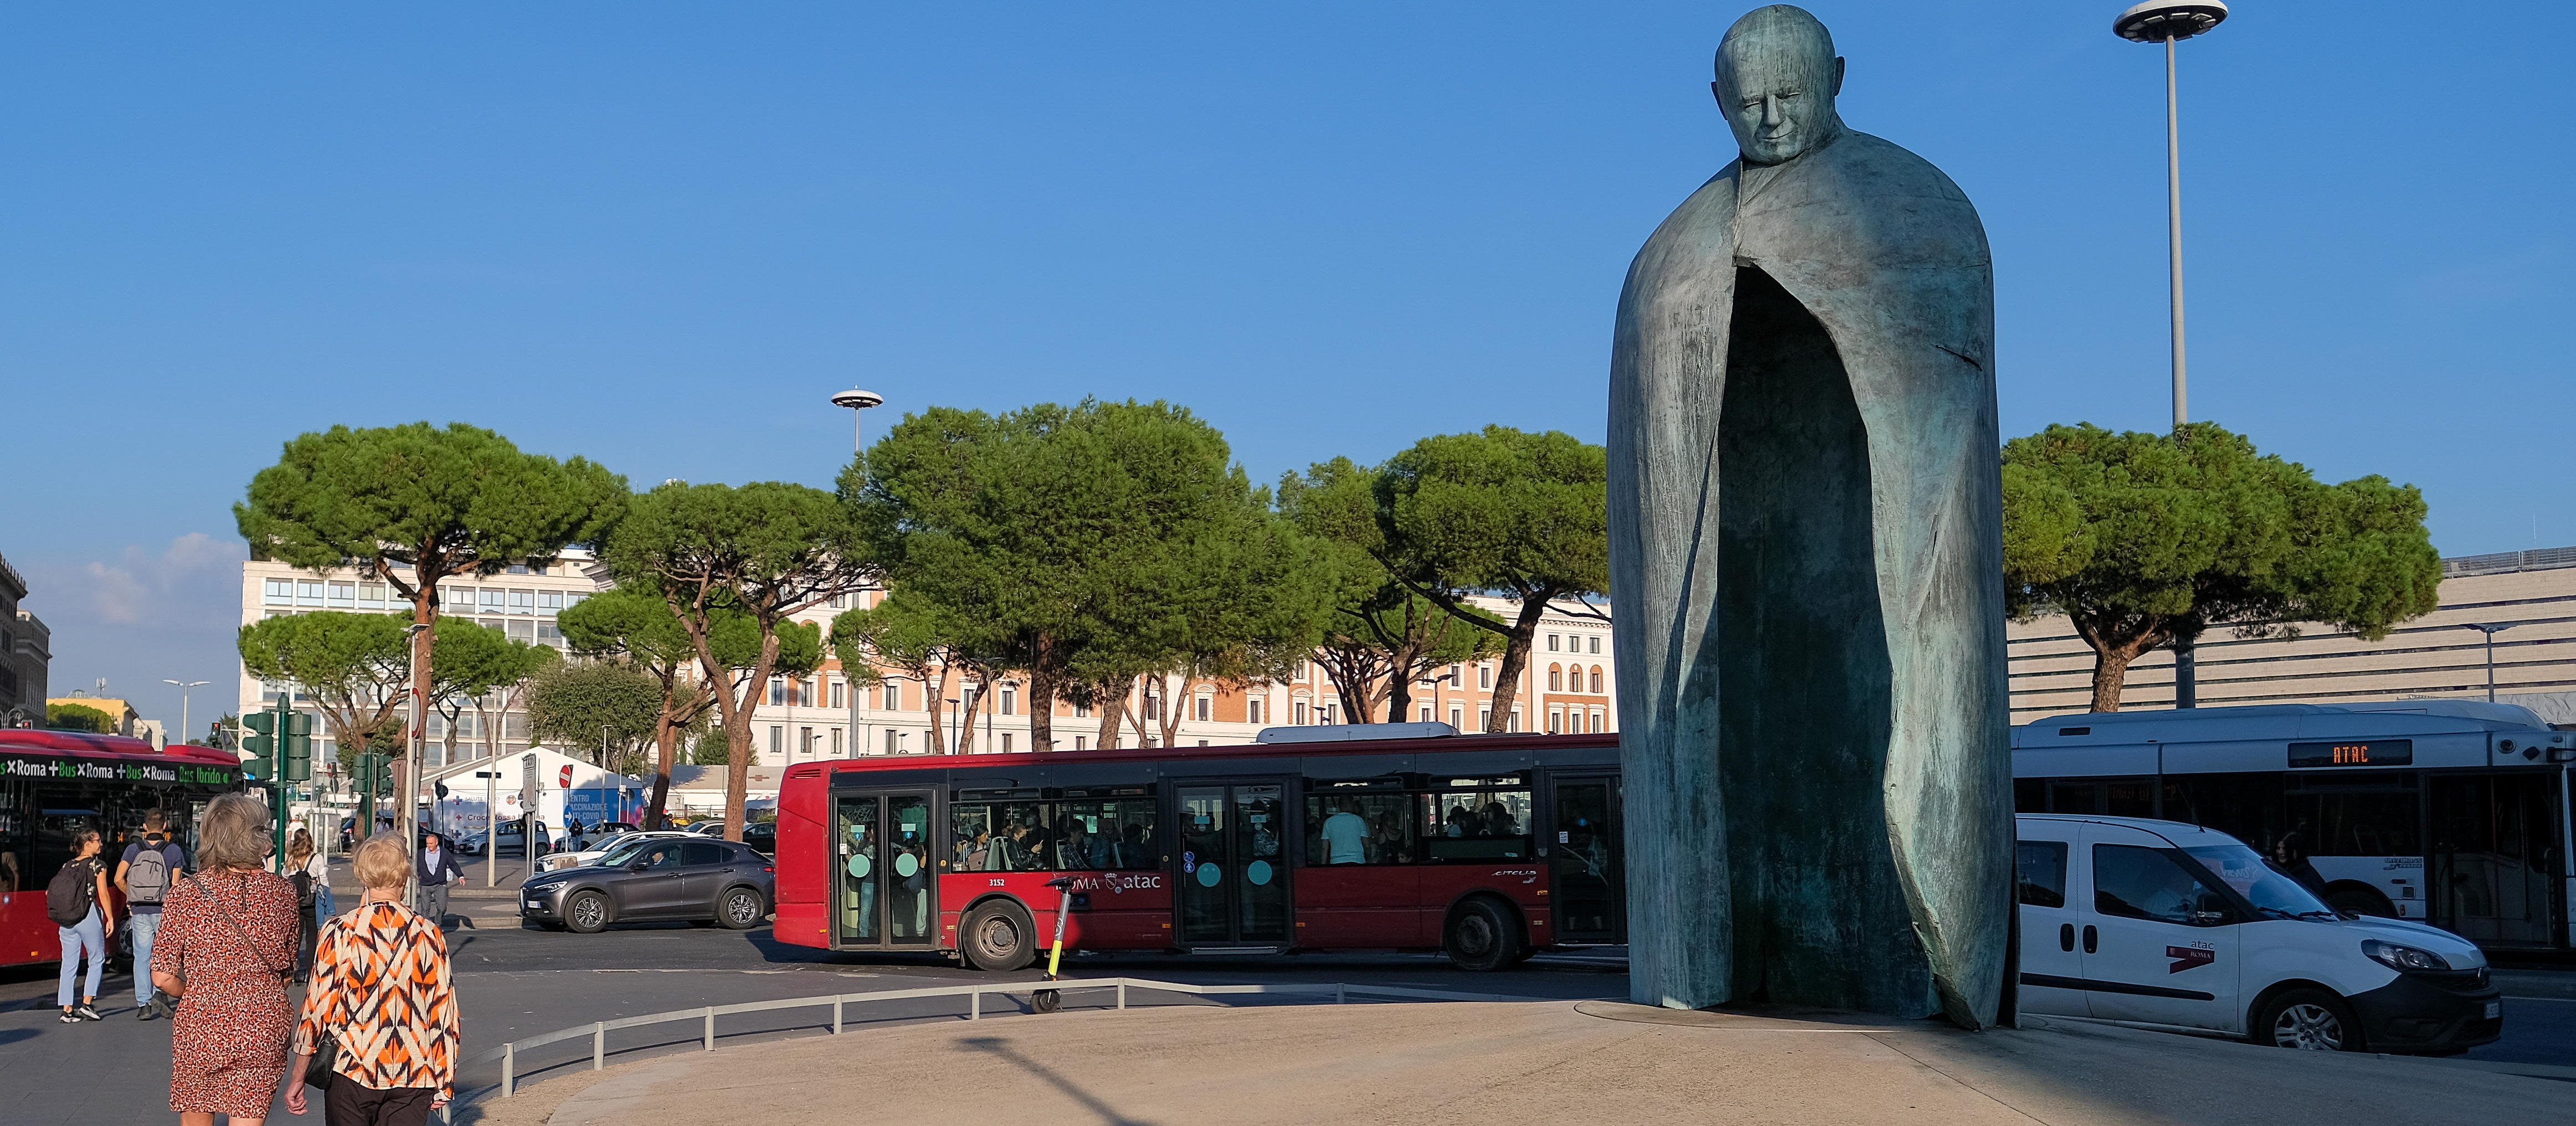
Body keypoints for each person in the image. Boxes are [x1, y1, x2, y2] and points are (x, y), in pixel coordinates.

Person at [284, 833, 459, 1124]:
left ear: (363, 876)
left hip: (352, 1068)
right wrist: (445, 1078)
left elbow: (316, 1008)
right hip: (413, 1072)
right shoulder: (430, 933)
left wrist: (299, 1076)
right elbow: (443, 1012)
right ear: (405, 876)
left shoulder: (340, 931)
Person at [152, 791, 299, 1126]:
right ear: (257, 838)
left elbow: (162, 976)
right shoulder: (283, 893)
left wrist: (199, 993)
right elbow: (286, 972)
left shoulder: (186, 894)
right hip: (262, 1025)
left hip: (201, 1024)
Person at [119, 809, 191, 1019]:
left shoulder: (133, 849)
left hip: (139, 910)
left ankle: (144, 1005)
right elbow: (176, 886)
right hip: (164, 910)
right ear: (165, 826)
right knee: (166, 955)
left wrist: (131, 896)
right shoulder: (174, 851)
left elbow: (118, 878)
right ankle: (162, 993)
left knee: (142, 956)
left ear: (144, 827)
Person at [49, 827, 114, 1022]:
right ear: (88, 845)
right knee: (97, 959)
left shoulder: (67, 865)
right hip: (87, 915)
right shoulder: (98, 866)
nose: (100, 844)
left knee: (69, 963)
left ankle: (67, 1010)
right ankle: (87, 1003)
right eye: (97, 840)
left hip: (67, 920)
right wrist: (110, 918)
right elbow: (103, 894)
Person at [275, 827, 327, 983]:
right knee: (312, 938)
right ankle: (310, 972)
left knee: (295, 939)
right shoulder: (317, 859)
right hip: (311, 902)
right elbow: (323, 879)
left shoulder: (291, 859)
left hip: (295, 903)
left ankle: (294, 972)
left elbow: (284, 875)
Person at [414, 832, 468, 929]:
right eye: (427, 844)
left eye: (431, 844)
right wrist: (417, 875)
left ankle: (437, 924)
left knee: (442, 908)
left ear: (436, 843)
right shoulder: (421, 854)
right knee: (425, 909)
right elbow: (415, 866)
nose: (429, 846)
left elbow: (453, 864)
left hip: (440, 884)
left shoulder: (444, 853)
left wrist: (460, 876)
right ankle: (427, 928)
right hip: (425, 885)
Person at [1319, 801, 1370, 865]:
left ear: (1340, 806)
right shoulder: (1358, 820)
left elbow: (1324, 847)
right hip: (1357, 860)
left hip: (1336, 861)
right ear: (1351, 805)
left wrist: (1323, 865)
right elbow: (1366, 844)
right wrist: (1369, 859)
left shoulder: (1329, 821)